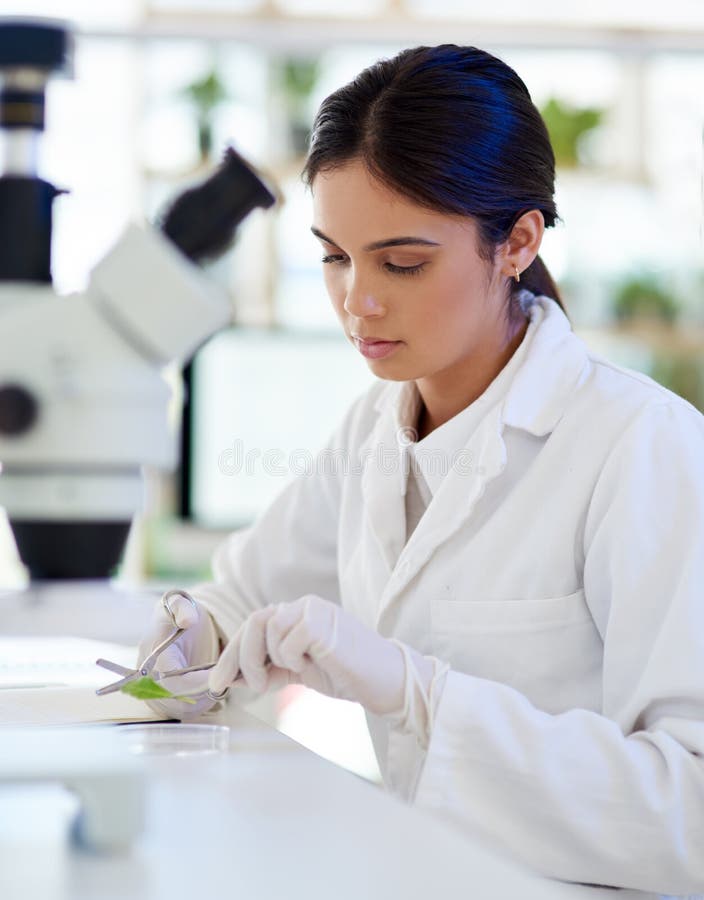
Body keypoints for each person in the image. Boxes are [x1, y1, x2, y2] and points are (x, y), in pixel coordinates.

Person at [138, 45, 704, 895]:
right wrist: (193, 641)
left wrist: (417, 694)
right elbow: (237, 596)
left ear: (516, 241)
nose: (358, 301)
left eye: (402, 263)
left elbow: (689, 812)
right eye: (335, 256)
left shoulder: (641, 447)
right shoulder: (376, 426)